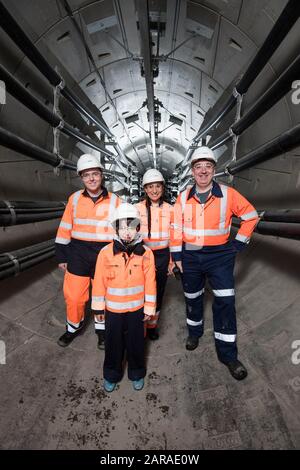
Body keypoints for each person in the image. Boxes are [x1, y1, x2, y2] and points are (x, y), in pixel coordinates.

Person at [172, 146, 259, 380]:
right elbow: (176, 229)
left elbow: (251, 216)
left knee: (226, 301)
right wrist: (176, 258)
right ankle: (194, 332)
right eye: (198, 167)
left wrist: (237, 245)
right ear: (192, 171)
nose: (203, 171)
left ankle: (228, 355)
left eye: (207, 167)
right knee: (192, 296)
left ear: (214, 170)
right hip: (190, 255)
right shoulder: (183, 197)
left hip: (220, 256)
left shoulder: (228, 194)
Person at [55, 153, 120, 349]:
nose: (91, 178)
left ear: (101, 175)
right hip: (78, 253)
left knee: (103, 296)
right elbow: (65, 227)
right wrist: (62, 255)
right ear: (81, 178)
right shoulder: (74, 199)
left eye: (95, 174)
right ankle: (73, 328)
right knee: (74, 297)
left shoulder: (116, 201)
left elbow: (129, 226)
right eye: (86, 175)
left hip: (105, 254)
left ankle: (102, 331)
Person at [91, 203, 156, 392]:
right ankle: (112, 374)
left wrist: (149, 308)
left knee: (136, 343)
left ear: (138, 228)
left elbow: (151, 283)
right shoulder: (105, 253)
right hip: (113, 310)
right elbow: (99, 282)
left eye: (131, 226)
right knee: (113, 343)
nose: (127, 232)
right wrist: (98, 308)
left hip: (137, 310)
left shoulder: (147, 254)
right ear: (116, 228)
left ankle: (136, 373)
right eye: (122, 227)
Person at [135, 169, 181, 340]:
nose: (154, 190)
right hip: (142, 254)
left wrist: (172, 261)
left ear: (163, 188)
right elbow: (130, 232)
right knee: (141, 290)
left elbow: (175, 238)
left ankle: (152, 325)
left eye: (157, 186)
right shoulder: (136, 209)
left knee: (158, 291)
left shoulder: (171, 209)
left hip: (162, 255)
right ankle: (140, 324)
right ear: (145, 189)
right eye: (150, 187)